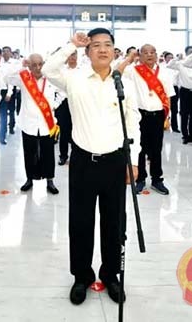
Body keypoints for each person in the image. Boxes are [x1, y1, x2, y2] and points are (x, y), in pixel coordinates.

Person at [44, 29, 140, 306]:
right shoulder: (74, 79)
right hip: (84, 162)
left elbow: (133, 122)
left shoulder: (124, 83)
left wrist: (134, 160)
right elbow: (49, 69)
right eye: (96, 45)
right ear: (87, 52)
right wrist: (71, 45)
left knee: (114, 223)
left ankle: (111, 275)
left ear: (114, 50)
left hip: (115, 162)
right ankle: (82, 276)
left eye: (107, 45)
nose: (102, 49)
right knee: (81, 222)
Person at [123, 44, 175, 195]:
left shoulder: (164, 72)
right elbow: (116, 71)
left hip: (158, 115)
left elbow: (168, 96)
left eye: (152, 52)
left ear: (157, 55)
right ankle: (140, 179)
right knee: (140, 148)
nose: (149, 55)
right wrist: (129, 58)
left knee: (156, 149)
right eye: (145, 52)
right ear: (140, 56)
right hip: (140, 115)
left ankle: (157, 179)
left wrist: (168, 117)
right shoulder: (133, 71)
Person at [13, 53, 61, 194]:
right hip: (28, 123)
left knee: (48, 153)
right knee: (29, 153)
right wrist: (20, 65)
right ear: (29, 66)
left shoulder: (51, 78)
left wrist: (55, 105)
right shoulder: (23, 78)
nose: (38, 68)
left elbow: (63, 92)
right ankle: (29, 179)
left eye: (40, 64)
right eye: (34, 65)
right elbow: (6, 77)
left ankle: (50, 180)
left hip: (47, 123)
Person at [169, 46, 192, 144]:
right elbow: (169, 65)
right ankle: (185, 135)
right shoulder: (181, 64)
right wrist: (177, 58)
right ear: (186, 53)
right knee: (184, 114)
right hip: (184, 91)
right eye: (190, 52)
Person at [55, 49, 79, 165]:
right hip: (63, 102)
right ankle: (63, 156)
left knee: (77, 130)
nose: (72, 57)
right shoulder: (62, 70)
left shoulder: (82, 70)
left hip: (78, 103)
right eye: (70, 55)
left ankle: (76, 156)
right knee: (64, 131)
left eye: (74, 54)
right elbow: (57, 87)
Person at [163, 52, 181, 133]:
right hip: (164, 89)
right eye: (169, 57)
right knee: (164, 108)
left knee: (174, 109)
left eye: (172, 57)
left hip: (174, 88)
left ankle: (175, 127)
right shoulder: (163, 67)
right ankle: (164, 125)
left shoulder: (176, 68)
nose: (170, 59)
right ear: (165, 58)